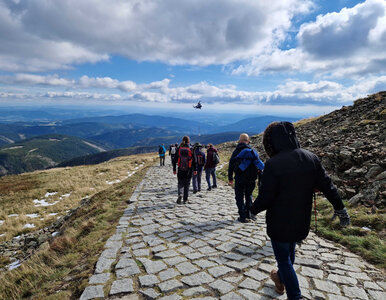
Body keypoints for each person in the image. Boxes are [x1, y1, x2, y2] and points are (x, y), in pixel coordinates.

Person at [250, 122, 350, 300]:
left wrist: (252, 211)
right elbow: (328, 186)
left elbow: (266, 197)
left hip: (279, 221)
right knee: (289, 255)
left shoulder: (273, 164)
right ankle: (279, 278)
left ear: (271, 141)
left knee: (284, 260)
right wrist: (340, 208)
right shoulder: (311, 158)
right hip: (302, 219)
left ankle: (295, 296)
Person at [228, 133, 264, 223]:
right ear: (248, 141)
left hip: (240, 178)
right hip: (251, 179)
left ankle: (242, 216)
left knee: (239, 197)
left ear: (239, 141)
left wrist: (230, 178)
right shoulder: (253, 151)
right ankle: (248, 214)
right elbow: (258, 166)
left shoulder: (236, 151)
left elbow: (231, 165)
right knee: (249, 196)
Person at [173, 136, 197, 204]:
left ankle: (180, 194)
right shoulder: (191, 148)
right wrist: (195, 169)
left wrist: (174, 169)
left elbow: (174, 160)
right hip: (189, 169)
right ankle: (185, 199)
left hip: (180, 169)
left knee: (180, 183)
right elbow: (194, 160)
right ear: (189, 141)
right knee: (187, 184)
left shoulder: (179, 148)